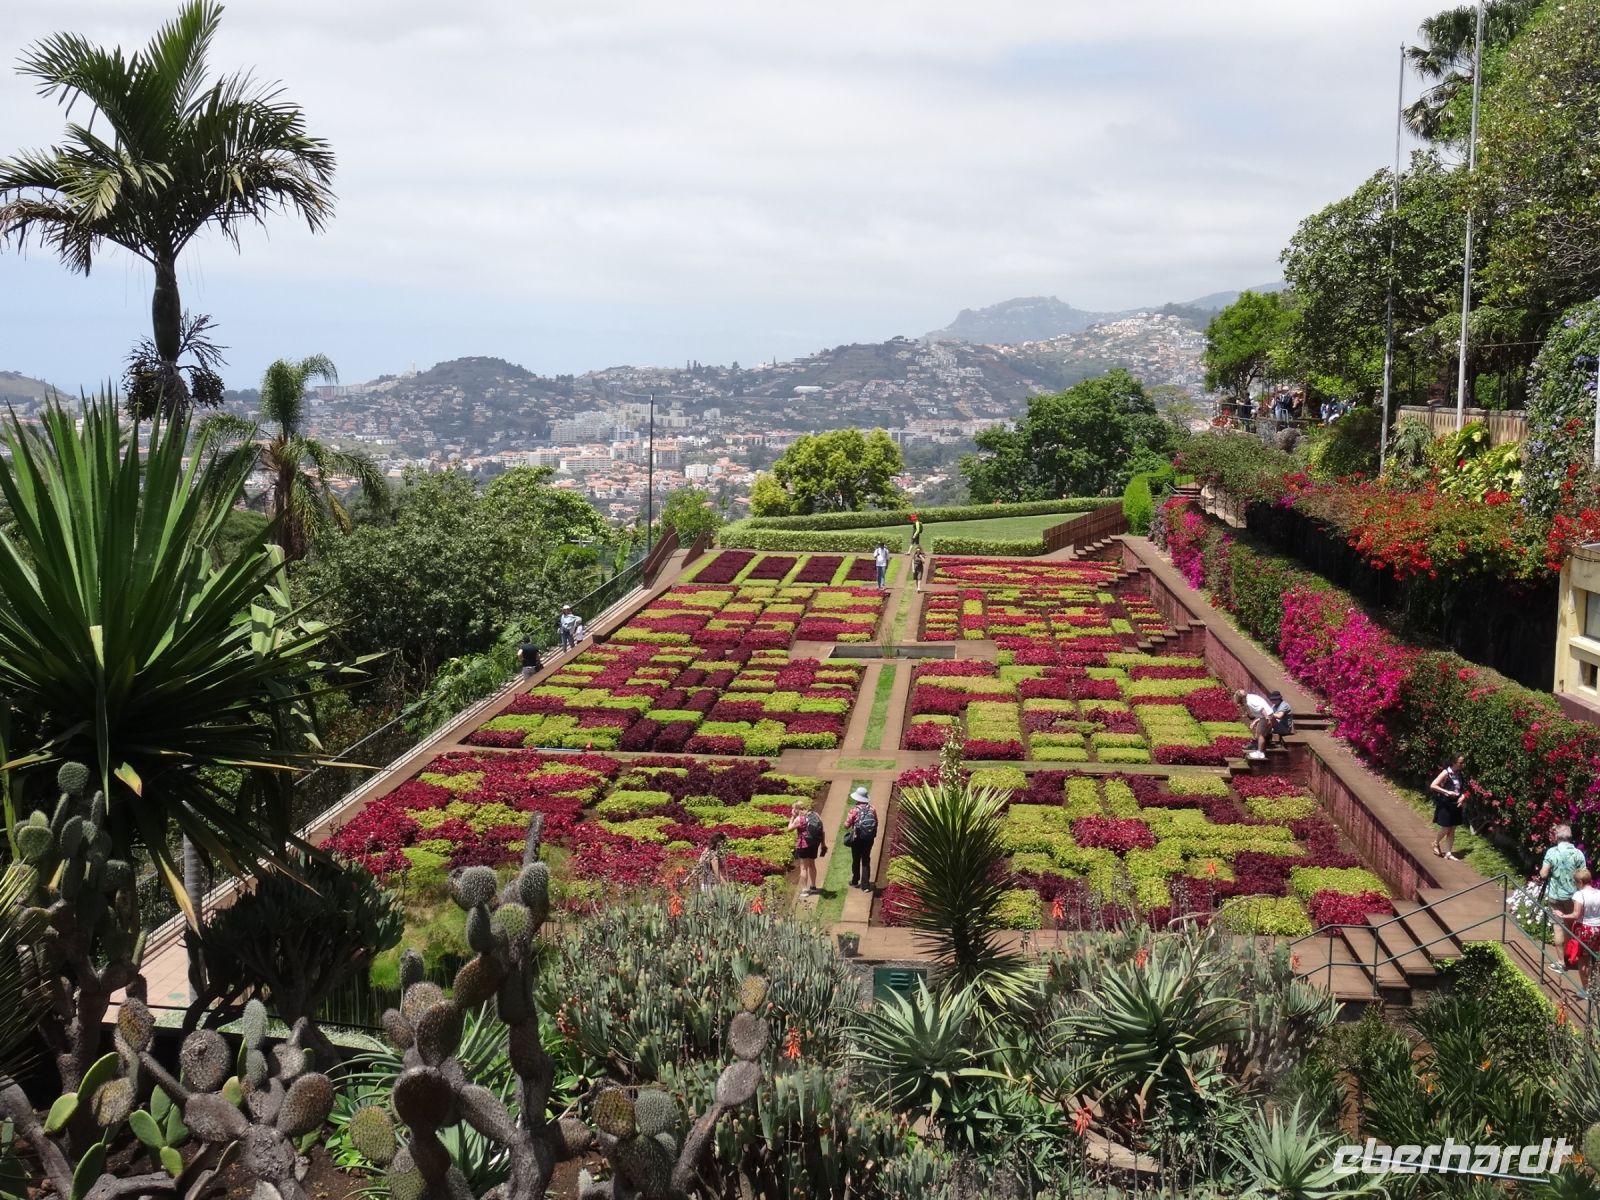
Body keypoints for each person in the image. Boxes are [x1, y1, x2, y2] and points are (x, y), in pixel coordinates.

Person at [1542, 824, 1588, 970]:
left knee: (1558, 928)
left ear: (1557, 837)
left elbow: (1543, 874)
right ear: (1569, 837)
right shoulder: (1578, 854)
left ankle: (1561, 962)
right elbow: (1584, 876)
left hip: (1555, 897)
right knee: (1570, 927)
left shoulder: (1552, 852)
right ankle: (1570, 957)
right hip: (1574, 897)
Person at [1564, 869, 1600, 999]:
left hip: (1584, 928)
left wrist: (1562, 915)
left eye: (1575, 882)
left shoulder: (1579, 895)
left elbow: (1576, 914)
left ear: (1580, 881)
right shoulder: (1598, 893)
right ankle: (1595, 986)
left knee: (1583, 959)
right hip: (1598, 928)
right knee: (1595, 958)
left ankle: (1586, 989)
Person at [1428, 754, 1466, 860]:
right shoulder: (1446, 773)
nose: (1463, 765)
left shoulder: (1460, 774)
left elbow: (1462, 788)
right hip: (1446, 804)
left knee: (1452, 829)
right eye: (1461, 763)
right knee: (1446, 827)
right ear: (1454, 763)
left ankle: (1448, 853)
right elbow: (1433, 785)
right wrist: (1446, 792)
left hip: (1456, 804)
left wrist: (1462, 796)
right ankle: (1436, 843)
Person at [843, 786, 879, 891]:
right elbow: (876, 822)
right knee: (866, 860)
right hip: (869, 839)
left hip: (857, 838)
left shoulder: (854, 810)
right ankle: (866, 886)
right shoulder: (872, 808)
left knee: (856, 859)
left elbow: (846, 825)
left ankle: (855, 881)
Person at [789, 800, 825, 896]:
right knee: (812, 865)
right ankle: (813, 887)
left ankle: (805, 890)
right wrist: (823, 844)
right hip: (814, 843)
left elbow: (789, 829)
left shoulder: (799, 819)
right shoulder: (816, 815)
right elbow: (822, 830)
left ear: (796, 809)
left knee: (803, 867)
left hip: (804, 844)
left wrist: (792, 817)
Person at [1233, 689, 1278, 761]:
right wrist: (1256, 722)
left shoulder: (1250, 702)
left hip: (1266, 716)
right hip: (1266, 716)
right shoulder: (1251, 697)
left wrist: (1267, 718)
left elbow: (1262, 709)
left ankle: (1260, 753)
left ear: (1241, 698)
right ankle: (1261, 750)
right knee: (1260, 733)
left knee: (1260, 734)